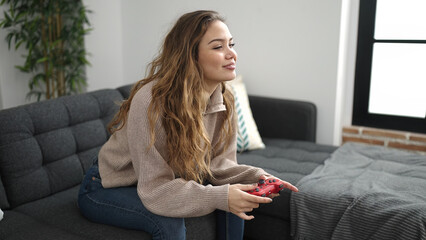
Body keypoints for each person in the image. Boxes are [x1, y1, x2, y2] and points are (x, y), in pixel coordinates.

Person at [78, 10, 298, 240]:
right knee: (169, 221)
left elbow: (219, 166)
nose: (231, 54)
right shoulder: (151, 102)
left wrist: (257, 177)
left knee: (236, 194)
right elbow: (154, 188)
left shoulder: (224, 98)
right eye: (217, 47)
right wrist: (219, 197)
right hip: (107, 187)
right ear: (190, 56)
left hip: (161, 180)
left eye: (231, 44)